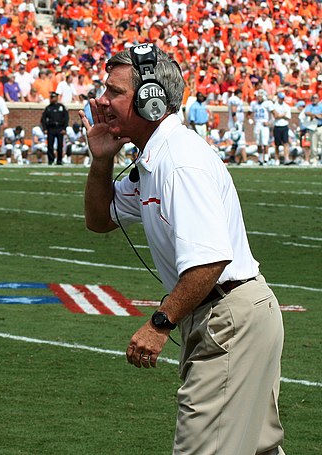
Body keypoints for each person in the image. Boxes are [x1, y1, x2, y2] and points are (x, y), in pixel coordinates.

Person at [80, 43, 284, 455]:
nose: (101, 101)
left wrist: (159, 325)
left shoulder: (179, 161)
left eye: (113, 92)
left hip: (227, 316)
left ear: (150, 101)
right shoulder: (157, 156)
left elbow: (210, 259)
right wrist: (101, 161)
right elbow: (100, 219)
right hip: (226, 315)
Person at [247, 89, 274, 165]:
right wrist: (250, 120)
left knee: (265, 142)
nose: (258, 98)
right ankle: (260, 159)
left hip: (264, 125)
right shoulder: (254, 104)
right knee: (258, 143)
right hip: (257, 124)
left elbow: (273, 114)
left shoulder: (267, 103)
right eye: (258, 96)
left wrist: (269, 122)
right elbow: (248, 114)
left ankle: (266, 159)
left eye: (260, 96)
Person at [41, 91, 69, 165]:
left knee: (60, 145)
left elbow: (66, 118)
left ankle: (59, 160)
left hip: (59, 128)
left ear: (57, 98)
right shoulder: (48, 108)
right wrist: (45, 129)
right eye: (51, 97)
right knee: (50, 145)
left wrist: (64, 128)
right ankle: (51, 160)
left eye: (53, 97)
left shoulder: (61, 107)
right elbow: (43, 119)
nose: (52, 99)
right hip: (51, 128)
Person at [271, 92, 292, 165]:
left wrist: (280, 115)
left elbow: (288, 117)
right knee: (277, 144)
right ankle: (277, 159)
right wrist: (282, 115)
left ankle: (286, 158)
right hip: (277, 126)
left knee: (285, 143)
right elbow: (275, 116)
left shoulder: (286, 106)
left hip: (284, 125)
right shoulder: (274, 106)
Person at [302, 93, 322, 165]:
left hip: (320, 126)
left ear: (318, 99)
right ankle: (314, 160)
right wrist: (317, 115)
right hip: (313, 127)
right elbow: (306, 112)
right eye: (313, 98)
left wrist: (314, 115)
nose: (314, 99)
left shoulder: (321, 106)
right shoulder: (309, 106)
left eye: (316, 98)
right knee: (313, 145)